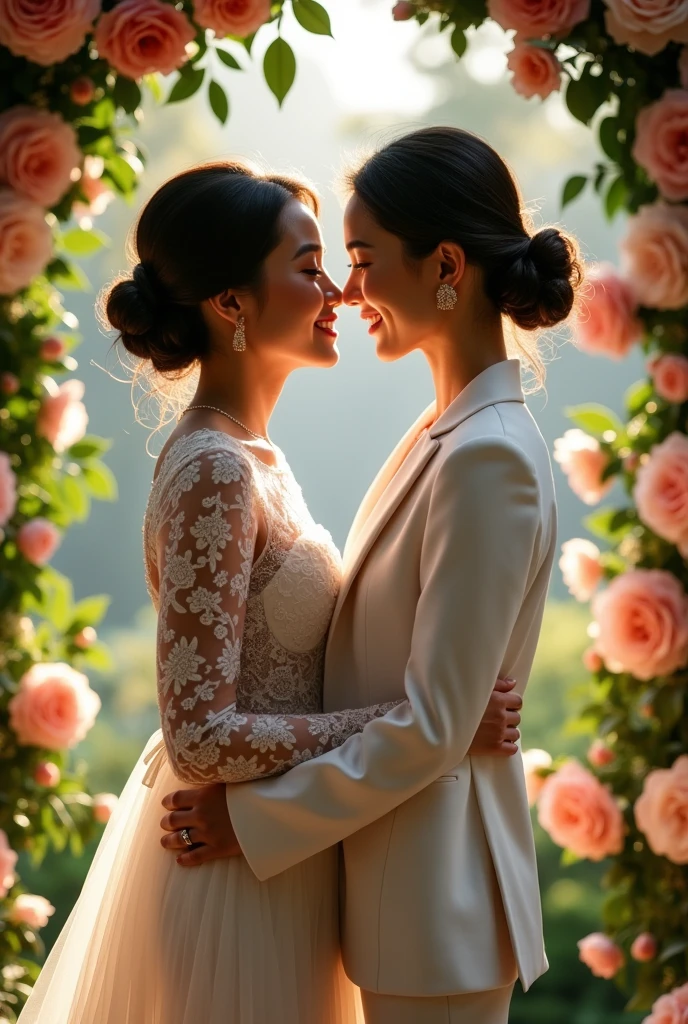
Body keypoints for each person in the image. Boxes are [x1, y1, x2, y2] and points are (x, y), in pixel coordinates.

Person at [17, 152, 522, 1024]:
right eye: (309, 268)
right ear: (231, 305)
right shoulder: (214, 469)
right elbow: (201, 736)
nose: (336, 293)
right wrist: (422, 722)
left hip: (285, 858)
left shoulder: (257, 458)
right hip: (229, 876)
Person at [159, 127, 584, 1024]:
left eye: (362, 259)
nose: (348, 292)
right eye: (331, 263)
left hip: (436, 907)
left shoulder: (488, 457)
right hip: (385, 893)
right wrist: (444, 721)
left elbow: (437, 722)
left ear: (444, 266)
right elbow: (437, 714)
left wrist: (254, 820)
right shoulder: (443, 438)